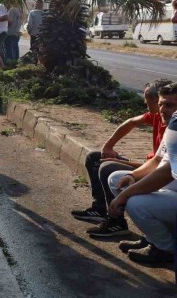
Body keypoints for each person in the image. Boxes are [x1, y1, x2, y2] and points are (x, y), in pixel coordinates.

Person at [107, 0, 177, 264]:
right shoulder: (171, 120)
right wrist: (133, 178)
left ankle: (165, 250)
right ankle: (155, 237)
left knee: (134, 199)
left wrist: (129, 192)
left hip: (172, 181)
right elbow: (162, 160)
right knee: (118, 178)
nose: (173, 16)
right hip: (172, 180)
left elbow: (166, 173)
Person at [71, 78, 174, 238]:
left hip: (161, 176)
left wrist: (120, 163)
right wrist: (108, 146)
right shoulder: (158, 117)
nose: (160, 109)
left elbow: (163, 168)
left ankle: (116, 222)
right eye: (161, 105)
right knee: (95, 157)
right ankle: (100, 209)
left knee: (107, 168)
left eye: (167, 105)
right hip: (153, 168)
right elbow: (131, 122)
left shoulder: (172, 126)